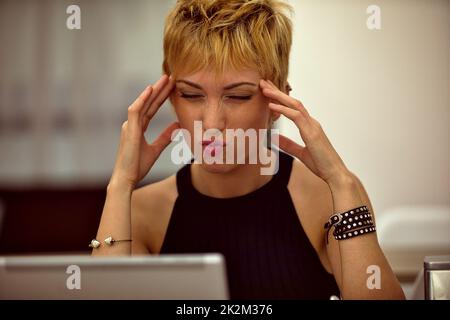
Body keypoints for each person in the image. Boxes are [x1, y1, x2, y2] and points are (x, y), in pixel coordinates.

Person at [91, 0, 405, 300]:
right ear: (170, 98)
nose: (212, 124)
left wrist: (342, 182)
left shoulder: (329, 198)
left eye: (238, 96)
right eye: (191, 95)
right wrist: (120, 185)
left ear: (278, 102)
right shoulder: (143, 211)